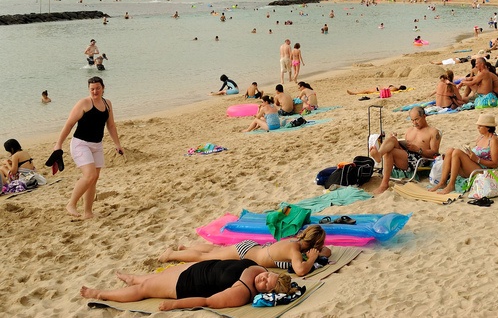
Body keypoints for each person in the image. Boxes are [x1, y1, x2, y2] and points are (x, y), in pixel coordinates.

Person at [79, 259, 292, 311]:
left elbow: (207, 301)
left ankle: (101, 294)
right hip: (197, 268)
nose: (262, 280)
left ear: (266, 294)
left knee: (144, 290)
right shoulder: (261, 269)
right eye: (267, 277)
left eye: (265, 286)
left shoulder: (242, 293)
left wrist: (175, 305)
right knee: (152, 277)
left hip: (188, 284)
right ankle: (133, 277)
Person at [53, 76, 123, 218]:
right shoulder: (84, 103)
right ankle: (71, 204)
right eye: (92, 89)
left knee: (94, 178)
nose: (95, 91)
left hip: (97, 145)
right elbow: (69, 124)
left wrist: (117, 144)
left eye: (97, 88)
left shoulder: (107, 104)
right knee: (89, 175)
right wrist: (58, 144)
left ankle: (88, 212)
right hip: (80, 144)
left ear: (103, 88)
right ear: (88, 89)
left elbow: (111, 125)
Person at [159, 225, 332, 277]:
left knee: (216, 250)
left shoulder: (296, 242)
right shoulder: (294, 250)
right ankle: (171, 255)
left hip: (252, 248)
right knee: (207, 257)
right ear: (314, 245)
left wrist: (316, 253)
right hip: (246, 253)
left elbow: (327, 252)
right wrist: (310, 260)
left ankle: (185, 248)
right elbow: (301, 270)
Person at [369, 106, 441, 195]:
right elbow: (405, 146)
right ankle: (379, 155)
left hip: (420, 158)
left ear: (424, 116)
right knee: (392, 139)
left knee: (390, 152)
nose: (414, 123)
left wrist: (418, 149)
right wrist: (396, 139)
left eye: (417, 119)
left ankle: (384, 184)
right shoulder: (410, 130)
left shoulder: (433, 132)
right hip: (407, 154)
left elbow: (435, 153)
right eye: (412, 120)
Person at [430, 113, 498, 195]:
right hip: (473, 165)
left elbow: (495, 164)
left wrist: (478, 160)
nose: (477, 128)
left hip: (483, 171)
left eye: (480, 126)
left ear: (488, 128)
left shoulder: (493, 140)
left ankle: (451, 184)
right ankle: (442, 182)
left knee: (457, 152)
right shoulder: (480, 137)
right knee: (450, 151)